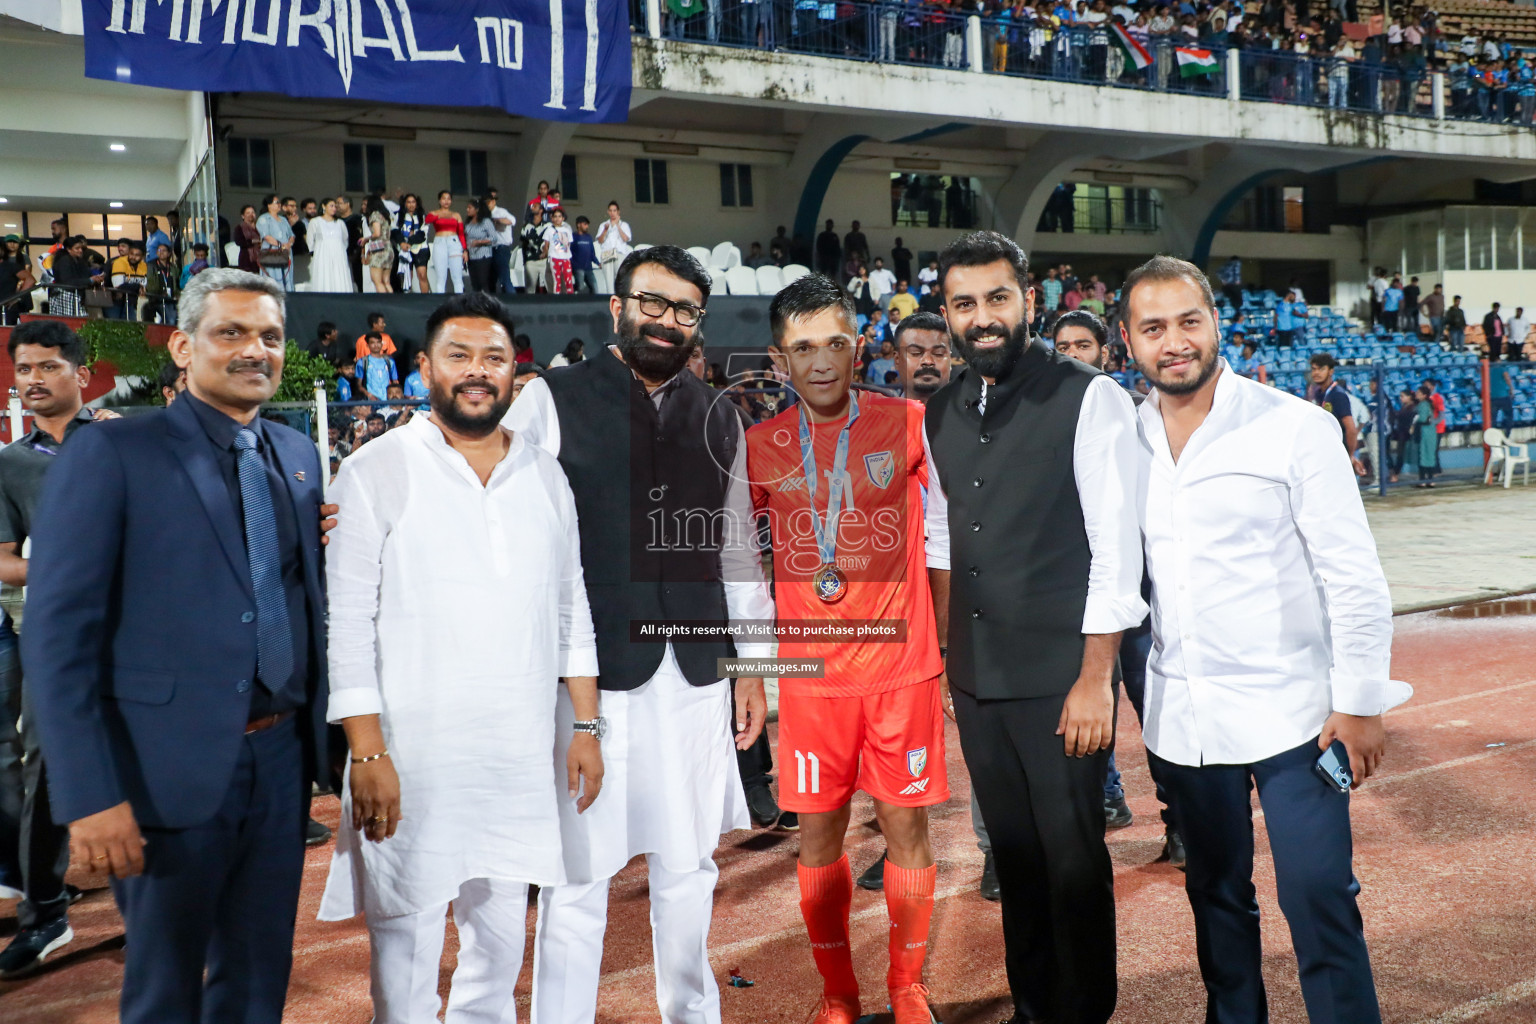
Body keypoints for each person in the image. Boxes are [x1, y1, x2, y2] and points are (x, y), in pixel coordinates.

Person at [23, 268, 330, 1024]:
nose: (254, 349)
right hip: (161, 771)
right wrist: (89, 797)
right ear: (185, 349)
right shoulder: (115, 453)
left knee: (260, 977)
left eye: (269, 336)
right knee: (163, 990)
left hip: (281, 761)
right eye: (232, 333)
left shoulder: (294, 456)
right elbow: (59, 640)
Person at [1119, 254, 1408, 1024]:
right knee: (1215, 894)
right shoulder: (1120, 442)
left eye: (1188, 321)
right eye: (1153, 328)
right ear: (1129, 341)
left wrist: (1361, 703)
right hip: (1185, 717)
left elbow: (1353, 577)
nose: (1173, 342)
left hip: (1296, 717)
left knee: (1317, 895)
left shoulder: (1295, 428)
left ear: (1216, 323)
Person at [504, 246, 774, 1024]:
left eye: (685, 310)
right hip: (590, 676)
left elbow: (736, 547)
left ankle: (692, 1013)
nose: (667, 321)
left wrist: (751, 669)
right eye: (652, 303)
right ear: (617, 307)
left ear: (699, 325)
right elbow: (507, 524)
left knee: (689, 865)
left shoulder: (721, 412)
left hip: (693, 674)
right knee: (578, 873)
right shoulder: (549, 399)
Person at [319, 292, 602, 1023]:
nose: (477, 372)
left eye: (494, 359)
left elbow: (572, 608)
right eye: (459, 356)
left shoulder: (545, 473)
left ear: (517, 375)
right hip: (411, 758)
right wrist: (368, 755)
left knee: (501, 943)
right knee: (405, 952)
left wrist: (587, 726)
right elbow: (346, 623)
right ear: (424, 369)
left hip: (516, 756)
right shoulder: (373, 469)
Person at [924, 232, 1144, 1024]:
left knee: (1073, 861)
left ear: (1029, 301)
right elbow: (942, 539)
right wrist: (953, 658)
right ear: (946, 314)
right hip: (979, 678)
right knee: (1013, 859)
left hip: (1062, 678)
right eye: (964, 304)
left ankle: (1083, 1013)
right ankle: (1033, 1005)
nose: (981, 318)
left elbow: (1118, 551)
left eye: (996, 299)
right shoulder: (940, 408)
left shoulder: (1091, 396)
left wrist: (1096, 678)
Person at [745, 277, 946, 1024]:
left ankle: (906, 985)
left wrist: (950, 646)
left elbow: (955, 536)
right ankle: (839, 994)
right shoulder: (758, 445)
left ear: (858, 345)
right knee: (820, 836)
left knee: (905, 826)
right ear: (779, 359)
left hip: (903, 671)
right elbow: (737, 562)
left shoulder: (913, 422)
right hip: (809, 681)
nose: (821, 360)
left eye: (835, 341)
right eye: (803, 347)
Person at [0, 321, 102, 977]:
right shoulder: (10, 464)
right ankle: (45, 914)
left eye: (47, 367)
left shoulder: (127, 442)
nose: (33, 380)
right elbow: (4, 562)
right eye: (24, 369)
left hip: (145, 633)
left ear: (81, 375)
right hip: (55, 634)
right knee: (43, 763)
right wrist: (63, 567)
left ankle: (177, 909)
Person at [1309, 353, 1367, 477]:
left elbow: (1351, 429)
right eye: (1314, 369)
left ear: (1331, 371)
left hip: (1338, 454)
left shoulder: (1337, 394)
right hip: (1326, 451)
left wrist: (1349, 456)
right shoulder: (1319, 393)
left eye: (1321, 369)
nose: (1316, 373)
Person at [308, 198, 356, 293]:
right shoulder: (315, 221)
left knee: (338, 274)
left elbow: (345, 238)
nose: (334, 208)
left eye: (335, 206)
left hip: (338, 254)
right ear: (323, 206)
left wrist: (340, 249)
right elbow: (310, 239)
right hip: (322, 253)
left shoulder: (340, 223)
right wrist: (314, 252)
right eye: (331, 206)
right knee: (324, 273)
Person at [425, 191, 467, 295]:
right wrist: (438, 216)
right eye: (444, 198)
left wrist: (465, 249)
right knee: (441, 276)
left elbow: (461, 233)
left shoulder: (456, 215)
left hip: (454, 241)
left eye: (448, 199)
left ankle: (460, 300)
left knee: (457, 276)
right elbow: (426, 220)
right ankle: (440, 302)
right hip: (440, 241)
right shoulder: (434, 213)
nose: (446, 201)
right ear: (439, 200)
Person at [257, 194, 294, 291]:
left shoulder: (284, 219)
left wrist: (289, 244)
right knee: (273, 278)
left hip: (286, 251)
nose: (279, 205)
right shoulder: (264, 219)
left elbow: (291, 235)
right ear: (269, 205)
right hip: (273, 252)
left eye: (279, 202)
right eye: (276, 202)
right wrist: (281, 245)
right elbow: (267, 237)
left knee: (287, 278)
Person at [483, 191, 518, 295]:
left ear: (493, 202)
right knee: (490, 279)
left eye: (488, 202)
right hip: (489, 248)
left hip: (501, 247)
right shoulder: (484, 215)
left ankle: (513, 300)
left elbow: (512, 221)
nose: (486, 205)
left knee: (504, 277)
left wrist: (495, 220)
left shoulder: (501, 212)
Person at [396, 193, 430, 294]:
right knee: (407, 276)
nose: (411, 205)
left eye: (413, 202)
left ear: (417, 203)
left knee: (422, 275)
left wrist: (410, 241)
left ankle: (426, 299)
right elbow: (395, 231)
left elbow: (423, 233)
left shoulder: (422, 216)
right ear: (405, 204)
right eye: (408, 202)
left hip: (420, 249)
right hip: (404, 249)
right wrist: (402, 242)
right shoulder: (399, 216)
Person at [595, 201, 633, 288]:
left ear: (618, 212)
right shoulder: (603, 225)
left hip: (619, 253)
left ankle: (619, 298)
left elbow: (626, 239)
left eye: (614, 210)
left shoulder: (624, 224)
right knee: (609, 280)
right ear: (608, 212)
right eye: (610, 211)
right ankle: (609, 297)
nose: (612, 213)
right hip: (607, 253)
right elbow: (600, 240)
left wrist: (617, 225)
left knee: (620, 278)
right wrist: (605, 230)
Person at [464, 199, 498, 293]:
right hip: (472, 256)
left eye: (470, 208)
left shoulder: (485, 222)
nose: (467, 209)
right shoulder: (468, 224)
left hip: (483, 256)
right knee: (475, 283)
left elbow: (494, 238)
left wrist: (480, 242)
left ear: (477, 209)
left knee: (482, 282)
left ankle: (486, 303)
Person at [362, 195, 394, 294]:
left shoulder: (375, 215)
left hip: (379, 250)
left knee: (377, 281)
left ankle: (384, 304)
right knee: (386, 282)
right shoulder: (384, 216)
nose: (363, 207)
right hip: (388, 248)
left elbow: (377, 233)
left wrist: (366, 239)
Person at [110, 243, 149, 322]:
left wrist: (138, 287)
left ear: (143, 257)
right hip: (114, 300)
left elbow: (144, 286)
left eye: (137, 255)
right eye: (131, 254)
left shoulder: (144, 266)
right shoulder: (119, 262)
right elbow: (118, 286)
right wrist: (137, 286)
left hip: (132, 301)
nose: (133, 257)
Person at [542, 208, 577, 295]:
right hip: (554, 258)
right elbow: (546, 245)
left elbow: (569, 244)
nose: (557, 219)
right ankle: (556, 299)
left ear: (563, 218)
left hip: (566, 257)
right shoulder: (549, 230)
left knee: (568, 280)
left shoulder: (567, 230)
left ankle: (570, 298)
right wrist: (546, 254)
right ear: (552, 218)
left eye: (559, 216)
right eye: (555, 217)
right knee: (557, 281)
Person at [356, 333, 398, 402]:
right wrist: (369, 395)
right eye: (372, 343)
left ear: (382, 344)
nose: (376, 345)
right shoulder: (362, 362)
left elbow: (395, 382)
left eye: (378, 342)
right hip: (370, 402)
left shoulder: (389, 361)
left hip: (387, 400)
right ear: (367, 345)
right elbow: (359, 385)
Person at [1411, 384, 1439, 486]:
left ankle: (1423, 479)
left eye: (1418, 393)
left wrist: (1414, 419)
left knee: (1423, 454)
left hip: (1425, 432)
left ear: (1424, 395)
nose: (1416, 394)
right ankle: (1430, 480)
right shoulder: (1427, 404)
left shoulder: (1422, 405)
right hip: (1430, 431)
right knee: (1429, 455)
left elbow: (1422, 418)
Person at [145, 243, 180, 325]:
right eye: (159, 250)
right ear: (157, 253)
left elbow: (177, 282)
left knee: (174, 320)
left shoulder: (173, 267)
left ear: (168, 254)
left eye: (164, 250)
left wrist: (177, 294)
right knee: (170, 320)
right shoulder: (151, 266)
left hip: (171, 299)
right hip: (157, 299)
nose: (161, 252)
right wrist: (159, 292)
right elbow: (150, 283)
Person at [520, 205, 549, 294]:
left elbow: (554, 240)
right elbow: (523, 243)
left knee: (549, 287)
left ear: (541, 210)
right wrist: (525, 260)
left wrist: (547, 251)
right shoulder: (526, 226)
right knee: (530, 288)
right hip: (531, 260)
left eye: (535, 206)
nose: (532, 208)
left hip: (545, 261)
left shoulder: (547, 226)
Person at [571, 216, 599, 294]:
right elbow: (569, 252)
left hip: (588, 268)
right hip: (578, 268)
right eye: (585, 224)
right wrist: (572, 265)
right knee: (581, 288)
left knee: (595, 289)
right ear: (579, 225)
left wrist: (598, 262)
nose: (587, 227)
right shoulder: (573, 237)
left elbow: (592, 253)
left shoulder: (588, 237)